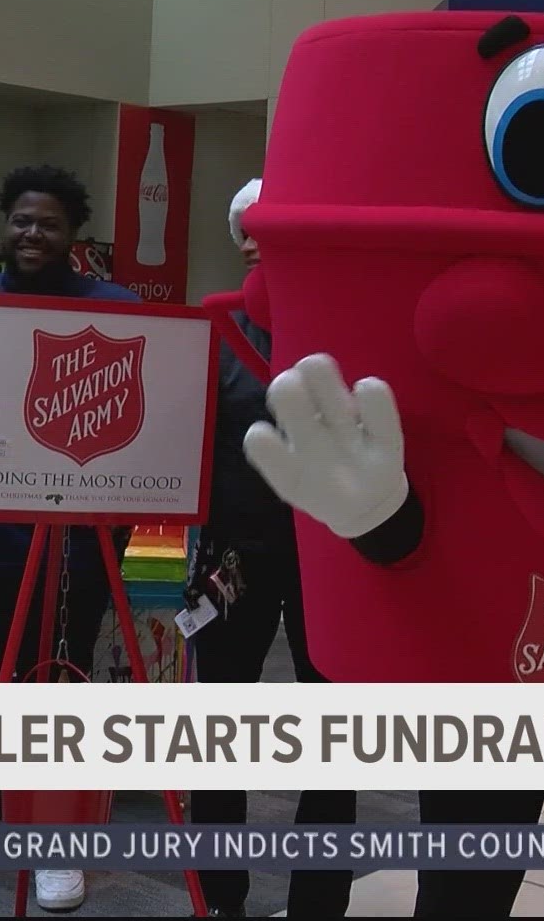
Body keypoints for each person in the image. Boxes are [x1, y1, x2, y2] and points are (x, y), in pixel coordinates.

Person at [0, 164, 139, 914]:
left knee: (55, 700)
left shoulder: (117, 309)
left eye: (47, 223)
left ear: (75, 232)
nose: (31, 233)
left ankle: (54, 848)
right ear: (4, 222)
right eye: (21, 220)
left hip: (70, 552)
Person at [186, 179, 356, 919]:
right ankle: (217, 895)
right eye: (249, 229)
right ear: (241, 242)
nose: (262, 240)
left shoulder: (346, 325)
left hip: (332, 556)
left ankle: (319, 900)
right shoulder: (212, 336)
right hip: (236, 555)